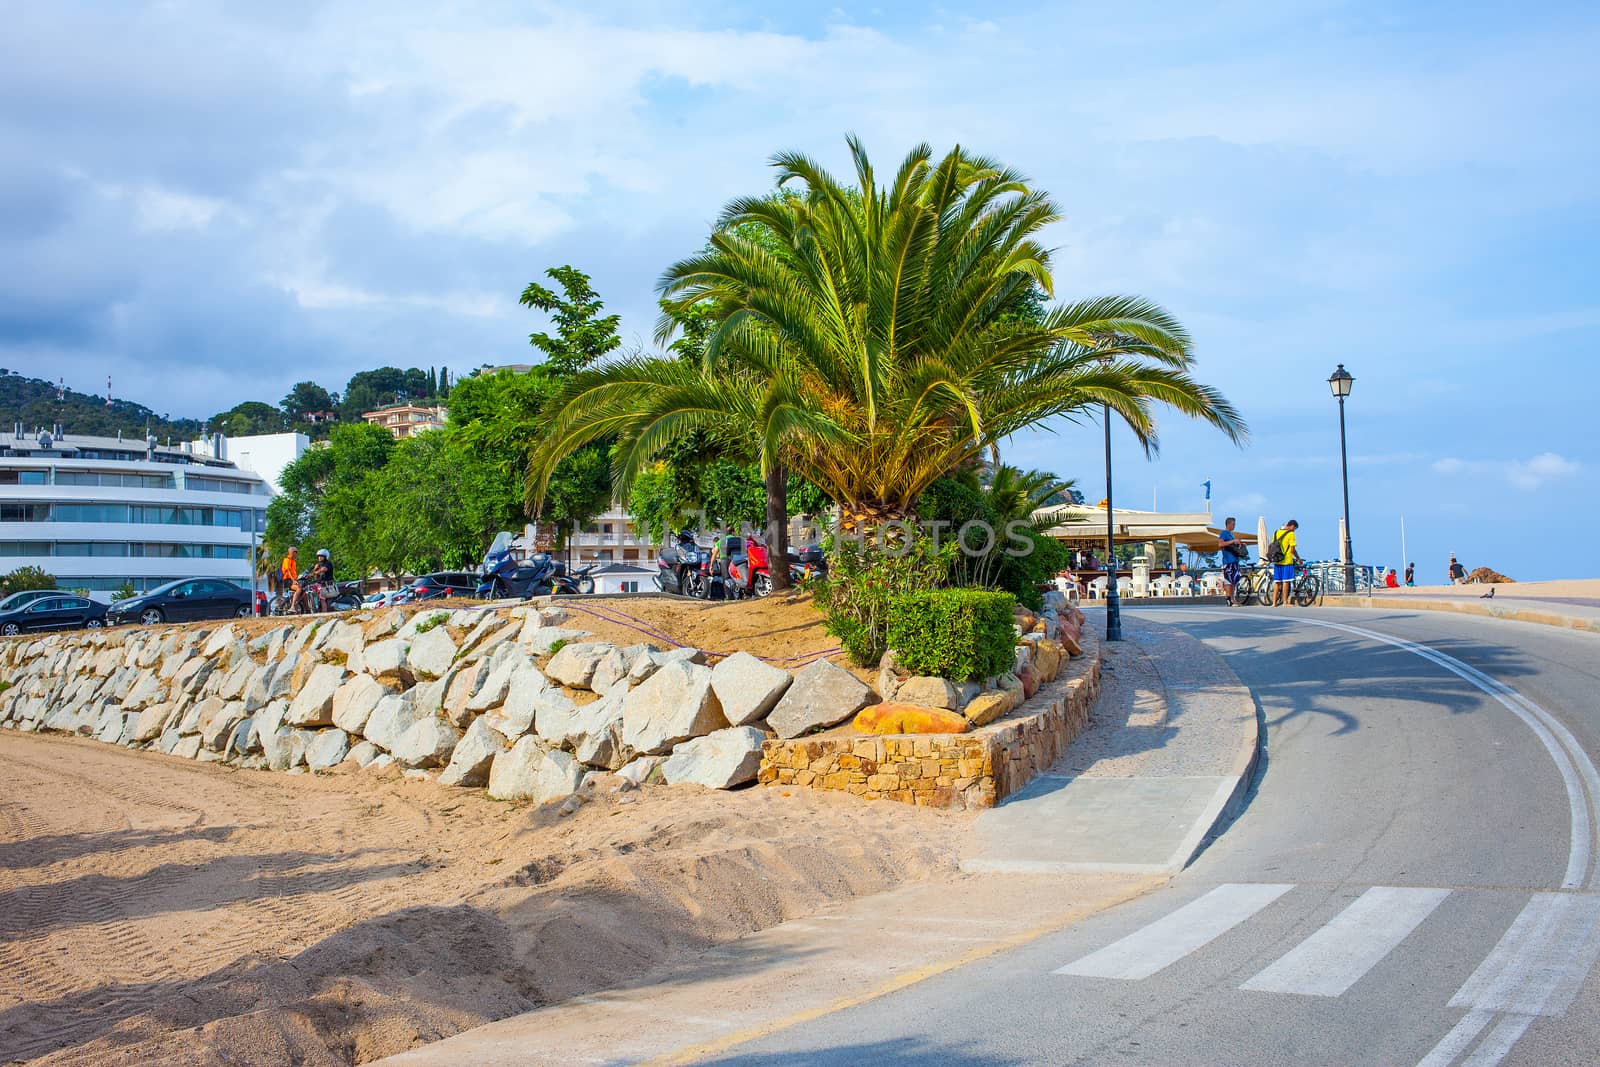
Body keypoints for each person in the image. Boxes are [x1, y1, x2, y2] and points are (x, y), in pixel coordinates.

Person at [1270, 519, 1302, 607]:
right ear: (1292, 526)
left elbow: (1273, 545)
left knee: (1277, 582)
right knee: (1286, 582)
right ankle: (1285, 602)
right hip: (1287, 561)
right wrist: (1298, 558)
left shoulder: (1276, 532)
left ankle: (1274, 603)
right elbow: (1292, 550)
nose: (1294, 530)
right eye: (1294, 529)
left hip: (1277, 560)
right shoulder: (1291, 534)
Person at [1218, 517, 1244, 605]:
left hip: (1234, 560)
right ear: (1228, 524)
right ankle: (1229, 599)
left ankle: (1232, 598)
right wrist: (1233, 541)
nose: (1234, 526)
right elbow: (1220, 544)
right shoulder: (1224, 533)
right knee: (1229, 580)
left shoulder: (1231, 534)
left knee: (1234, 581)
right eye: (1233, 524)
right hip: (1228, 561)